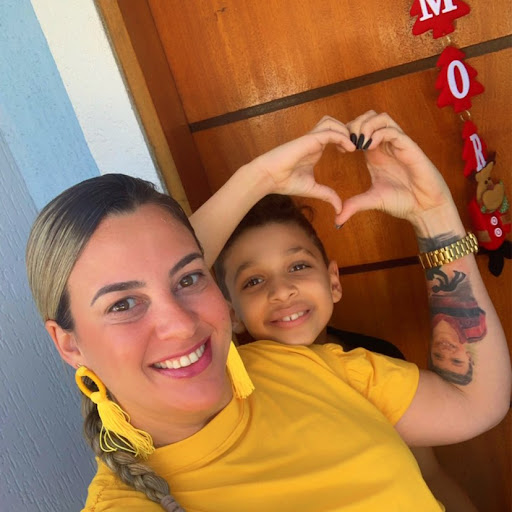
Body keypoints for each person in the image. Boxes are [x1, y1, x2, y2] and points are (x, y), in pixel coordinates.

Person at [25, 112, 511, 511]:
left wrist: (432, 212)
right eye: (123, 304)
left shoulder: (301, 366)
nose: (179, 324)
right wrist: (254, 181)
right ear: (68, 343)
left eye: (189, 279)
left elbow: (474, 402)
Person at [212, 193, 479, 511]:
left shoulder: (376, 357)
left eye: (298, 266)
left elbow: (430, 474)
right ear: (231, 314)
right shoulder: (231, 394)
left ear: (333, 282)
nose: (281, 290)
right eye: (253, 281)